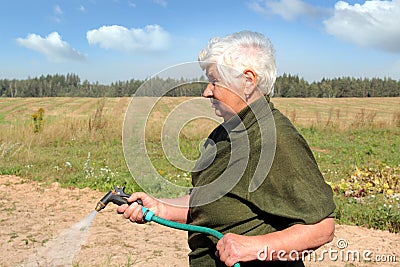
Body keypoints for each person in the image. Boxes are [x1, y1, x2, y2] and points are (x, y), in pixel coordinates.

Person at [117, 31, 336, 267]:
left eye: (214, 82)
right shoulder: (225, 133)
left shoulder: (275, 140)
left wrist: (254, 247)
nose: (206, 91)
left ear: (248, 81)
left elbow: (322, 228)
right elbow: (208, 200)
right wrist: (162, 208)